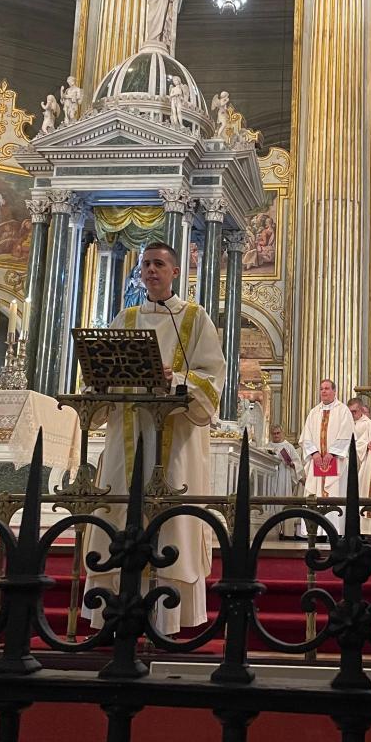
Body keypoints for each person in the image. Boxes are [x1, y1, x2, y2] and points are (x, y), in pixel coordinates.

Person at [81, 242, 224, 634]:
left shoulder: (195, 319)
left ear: (175, 272)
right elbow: (101, 372)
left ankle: (166, 616)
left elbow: (212, 380)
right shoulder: (125, 318)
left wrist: (175, 379)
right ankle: (113, 609)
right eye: (145, 264)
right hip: (126, 433)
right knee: (118, 511)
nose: (150, 270)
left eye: (159, 264)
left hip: (173, 436)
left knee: (169, 520)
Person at [297, 379, 354, 535]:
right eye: (321, 388)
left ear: (334, 391)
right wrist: (314, 453)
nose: (324, 391)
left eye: (327, 388)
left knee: (334, 492)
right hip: (317, 461)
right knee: (314, 493)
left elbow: (347, 434)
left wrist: (332, 453)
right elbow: (306, 436)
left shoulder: (343, 411)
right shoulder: (314, 412)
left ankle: (334, 531)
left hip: (335, 460)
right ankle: (314, 531)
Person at [348, 397, 371, 501]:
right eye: (349, 411)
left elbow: (370, 442)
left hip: (360, 459)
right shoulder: (346, 423)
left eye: (354, 411)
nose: (351, 414)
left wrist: (365, 446)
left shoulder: (369, 424)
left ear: (361, 410)